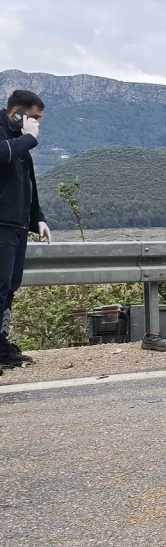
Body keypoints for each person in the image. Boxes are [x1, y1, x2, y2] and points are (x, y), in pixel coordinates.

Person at [1, 90, 51, 367]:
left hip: (17, 226)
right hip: (1, 226)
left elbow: (29, 184)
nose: (37, 123)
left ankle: (1, 345)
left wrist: (37, 218)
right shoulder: (10, 138)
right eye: (33, 117)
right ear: (16, 112)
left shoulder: (21, 145)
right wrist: (28, 139)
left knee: (9, 287)